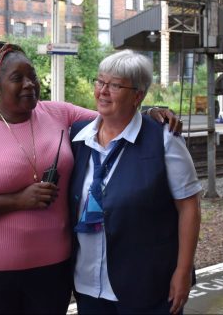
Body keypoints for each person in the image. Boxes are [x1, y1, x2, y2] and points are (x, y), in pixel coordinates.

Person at [0, 42, 179, 314]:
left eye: (32, 75)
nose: (30, 84)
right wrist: (17, 201)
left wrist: (149, 111)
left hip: (52, 272)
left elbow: (115, 117)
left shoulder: (58, 114)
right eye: (17, 78)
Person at [69, 49, 202, 314]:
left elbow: (189, 207)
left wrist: (183, 271)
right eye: (100, 81)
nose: (103, 91)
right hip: (88, 284)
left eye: (115, 85)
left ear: (138, 95)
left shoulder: (164, 139)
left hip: (148, 285)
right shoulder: (78, 137)